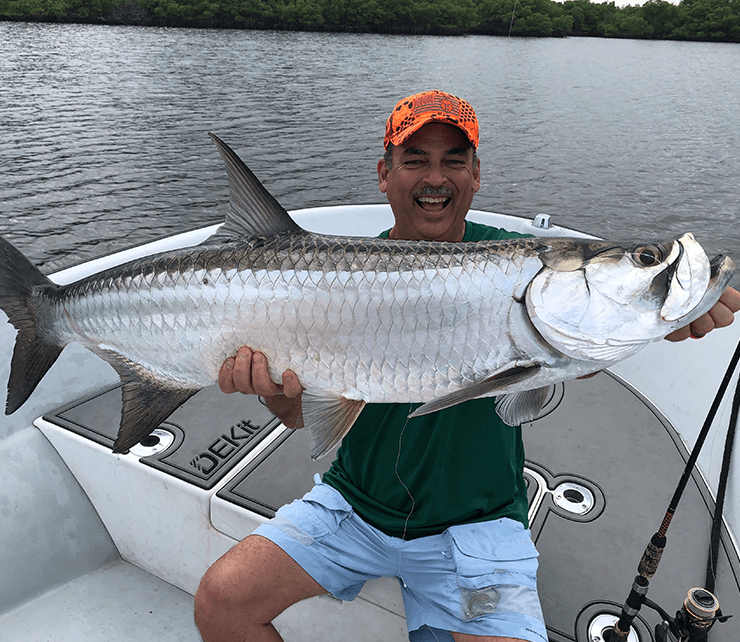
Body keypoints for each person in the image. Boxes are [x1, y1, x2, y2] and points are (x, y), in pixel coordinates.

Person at [194, 90, 740, 642]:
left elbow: (575, 341)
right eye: (415, 160)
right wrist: (268, 389)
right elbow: (295, 416)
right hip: (352, 507)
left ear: (476, 175)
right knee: (221, 603)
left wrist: (669, 316)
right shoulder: (330, 278)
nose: (436, 177)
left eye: (454, 160)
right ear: (384, 174)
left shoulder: (519, 260)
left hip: (479, 524)